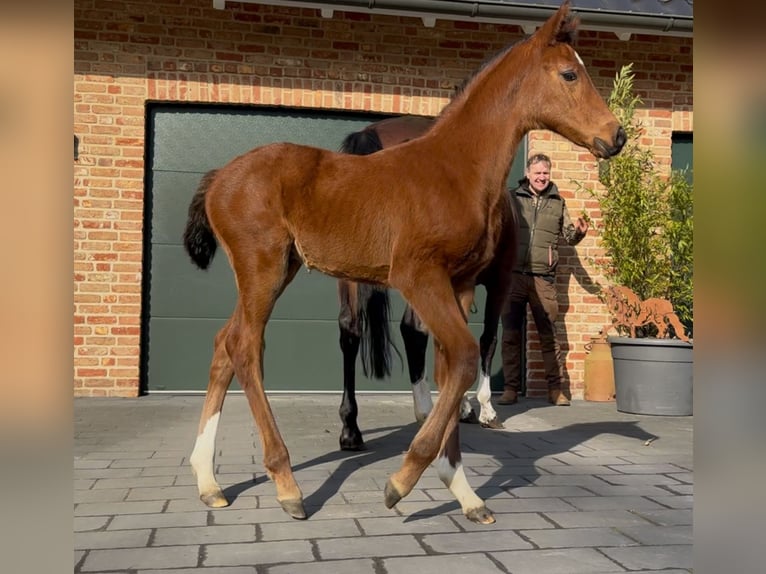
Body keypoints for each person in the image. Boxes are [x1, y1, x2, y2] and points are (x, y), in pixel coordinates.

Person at [498, 153, 588, 406]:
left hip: (544, 279)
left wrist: (579, 234)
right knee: (511, 336)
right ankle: (510, 389)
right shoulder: (513, 199)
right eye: (537, 173)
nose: (541, 177)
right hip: (513, 277)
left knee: (549, 335)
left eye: (545, 173)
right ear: (528, 174)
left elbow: (569, 236)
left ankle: (555, 390)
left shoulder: (558, 203)